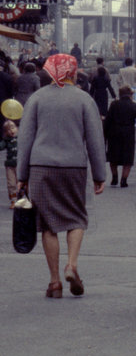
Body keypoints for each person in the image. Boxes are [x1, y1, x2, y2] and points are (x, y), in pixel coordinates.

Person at [16, 54, 106, 299]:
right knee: (76, 216)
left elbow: (25, 140)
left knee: (47, 223)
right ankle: (72, 265)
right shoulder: (84, 100)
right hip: (73, 167)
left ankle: (54, 281)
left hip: (40, 168)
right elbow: (95, 140)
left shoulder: (36, 99)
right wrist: (99, 174)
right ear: (73, 73)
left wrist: (22, 174)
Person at [105, 85, 136, 187]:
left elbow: (108, 120)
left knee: (113, 156)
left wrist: (105, 134)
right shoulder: (135, 106)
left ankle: (114, 178)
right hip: (128, 133)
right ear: (130, 95)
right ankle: (124, 180)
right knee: (127, 158)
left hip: (114, 132)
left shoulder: (114, 105)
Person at [2, 120, 18, 207]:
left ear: (16, 128)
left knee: (20, 182)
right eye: (8, 129)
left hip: (19, 165)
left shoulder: (21, 137)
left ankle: (22, 199)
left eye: (13, 128)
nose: (11, 130)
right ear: (5, 132)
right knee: (11, 183)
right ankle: (13, 200)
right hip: (10, 166)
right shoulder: (6, 141)